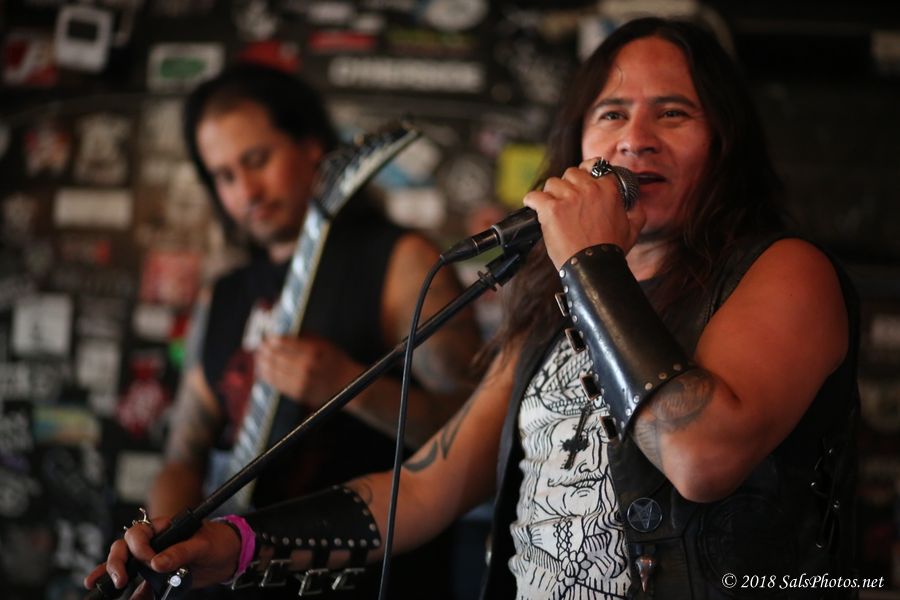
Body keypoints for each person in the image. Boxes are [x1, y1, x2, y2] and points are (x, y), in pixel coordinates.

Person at [89, 17, 860, 600]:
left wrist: (590, 259)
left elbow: (701, 458)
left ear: (725, 143)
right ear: (579, 143)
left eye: (674, 114)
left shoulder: (785, 271)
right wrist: (236, 542)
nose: (635, 139)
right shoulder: (556, 304)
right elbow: (426, 486)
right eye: (611, 113)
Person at [138, 64, 483, 598]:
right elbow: (184, 454)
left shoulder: (401, 262)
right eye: (224, 176)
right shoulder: (223, 296)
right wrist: (162, 550)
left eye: (257, 160)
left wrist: (348, 385)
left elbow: (473, 434)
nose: (246, 191)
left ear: (311, 147)